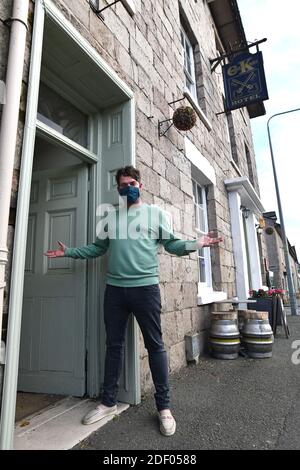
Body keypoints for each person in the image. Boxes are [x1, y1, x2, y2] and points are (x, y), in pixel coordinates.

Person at [45, 165, 223, 437]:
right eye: (121, 185)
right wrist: (69, 252)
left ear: (140, 185)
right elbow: (98, 248)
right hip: (115, 292)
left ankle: (164, 408)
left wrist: (197, 244)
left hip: (146, 290)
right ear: (118, 188)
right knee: (113, 346)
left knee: (155, 347)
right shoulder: (111, 219)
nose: (126, 187)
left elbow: (172, 245)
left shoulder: (155, 215)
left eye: (131, 183)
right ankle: (108, 402)